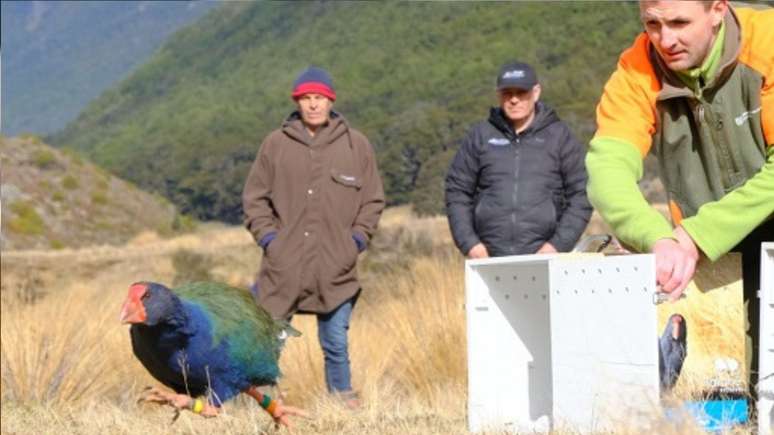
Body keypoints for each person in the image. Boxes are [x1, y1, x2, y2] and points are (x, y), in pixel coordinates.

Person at [586, 0, 773, 400]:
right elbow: (607, 169)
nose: (665, 39)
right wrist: (657, 237)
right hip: (720, 242)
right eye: (651, 23)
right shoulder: (637, 68)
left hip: (730, 227)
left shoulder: (768, 42)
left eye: (679, 22)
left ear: (718, 10)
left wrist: (696, 236)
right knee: (761, 390)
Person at [242, 66, 385, 407]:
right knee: (269, 339)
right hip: (283, 267)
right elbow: (254, 198)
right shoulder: (275, 144)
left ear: (330, 100)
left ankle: (342, 406)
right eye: (306, 99)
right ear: (297, 102)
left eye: (319, 98)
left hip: (336, 268)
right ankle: (259, 406)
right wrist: (269, 241)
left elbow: (373, 200)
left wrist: (356, 242)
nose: (313, 105)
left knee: (335, 341)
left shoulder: (357, 145)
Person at [445, 61, 592, 259]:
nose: (514, 100)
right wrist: (470, 244)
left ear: (536, 92)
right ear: (498, 95)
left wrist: (557, 246)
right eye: (507, 93)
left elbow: (582, 194)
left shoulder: (559, 136)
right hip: (488, 258)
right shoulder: (480, 135)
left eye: (521, 92)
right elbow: (457, 191)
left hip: (546, 257)